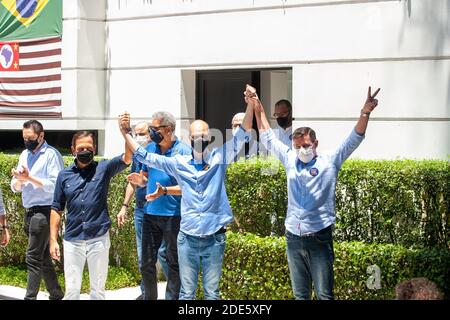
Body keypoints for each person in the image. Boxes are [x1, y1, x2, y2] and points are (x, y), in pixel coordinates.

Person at [118, 85, 255, 300]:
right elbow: (145, 156)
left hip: (214, 237)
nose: (199, 140)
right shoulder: (179, 163)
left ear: (210, 137)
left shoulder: (219, 158)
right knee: (187, 294)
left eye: (203, 136)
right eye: (194, 136)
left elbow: (243, 133)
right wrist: (125, 133)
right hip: (188, 238)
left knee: (212, 293)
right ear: (189, 138)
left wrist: (250, 104)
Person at [250, 85, 381, 300]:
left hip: (319, 237)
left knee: (324, 295)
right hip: (293, 236)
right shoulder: (290, 159)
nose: (302, 149)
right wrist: (256, 103)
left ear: (316, 144)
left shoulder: (330, 161)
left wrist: (365, 112)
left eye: (307, 145)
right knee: (300, 295)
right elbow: (267, 136)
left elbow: (354, 138)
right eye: (298, 145)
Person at [49, 130, 132, 300]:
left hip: (98, 238)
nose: (84, 151)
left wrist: (126, 132)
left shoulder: (104, 168)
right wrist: (53, 240)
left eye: (88, 147)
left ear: (94, 149)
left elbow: (128, 158)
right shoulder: (64, 176)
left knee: (98, 291)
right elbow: (56, 208)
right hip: (73, 239)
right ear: (73, 150)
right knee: (72, 291)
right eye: (80, 148)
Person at [127, 112, 191, 300]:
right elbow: (146, 176)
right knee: (146, 262)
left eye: (155, 129)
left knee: (173, 262)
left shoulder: (184, 151)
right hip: (149, 213)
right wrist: (141, 180)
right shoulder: (150, 148)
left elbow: (189, 185)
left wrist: (165, 190)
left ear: (169, 129)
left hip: (174, 215)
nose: (151, 132)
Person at [10, 120, 64, 300]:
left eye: (30, 138)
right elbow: (15, 187)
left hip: (45, 211)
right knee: (42, 257)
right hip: (30, 211)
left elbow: (56, 185)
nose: (27, 141)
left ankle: (30, 297)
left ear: (41, 136)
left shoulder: (51, 155)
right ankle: (56, 294)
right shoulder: (25, 154)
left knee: (32, 257)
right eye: (24, 138)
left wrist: (29, 178)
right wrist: (19, 180)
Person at [117, 120, 167, 300]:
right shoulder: (138, 156)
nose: (140, 137)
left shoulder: (157, 152)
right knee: (143, 256)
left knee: (164, 253)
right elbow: (133, 182)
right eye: (136, 133)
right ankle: (146, 294)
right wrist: (124, 206)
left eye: (142, 133)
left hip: (160, 210)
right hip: (141, 210)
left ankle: (178, 294)